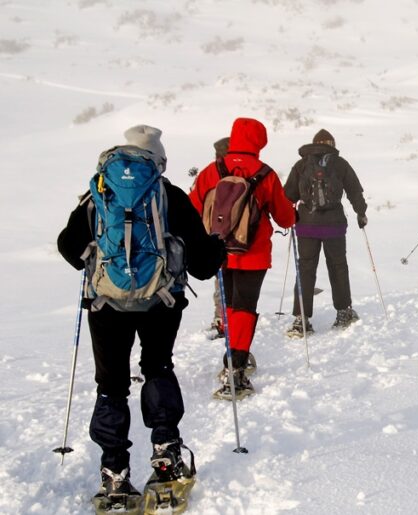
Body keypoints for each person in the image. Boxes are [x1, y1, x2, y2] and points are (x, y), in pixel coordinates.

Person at [57, 125, 225, 503]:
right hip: (160, 302)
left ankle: (114, 471)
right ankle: (166, 454)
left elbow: (68, 247)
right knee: (157, 367)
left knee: (111, 384)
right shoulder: (170, 195)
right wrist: (215, 250)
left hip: (105, 305)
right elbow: (201, 266)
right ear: (158, 159)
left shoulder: (97, 194)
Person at [189, 118, 295, 398]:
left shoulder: (212, 170)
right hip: (253, 254)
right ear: (259, 142)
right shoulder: (265, 173)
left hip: (219, 251)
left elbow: (193, 208)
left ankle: (234, 358)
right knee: (245, 308)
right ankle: (235, 369)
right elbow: (285, 218)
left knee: (232, 306)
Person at [283, 129, 368, 336]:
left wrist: (288, 217)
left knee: (305, 269)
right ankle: (343, 312)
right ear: (332, 143)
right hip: (334, 225)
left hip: (306, 226)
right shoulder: (340, 164)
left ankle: (301, 319)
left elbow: (287, 195)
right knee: (338, 266)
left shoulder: (302, 165)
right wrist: (361, 212)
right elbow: (354, 190)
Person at [208, 136, 229, 338]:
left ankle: (221, 319)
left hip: (214, 236)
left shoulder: (209, 173)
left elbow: (194, 203)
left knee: (220, 280)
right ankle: (236, 319)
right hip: (242, 240)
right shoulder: (246, 171)